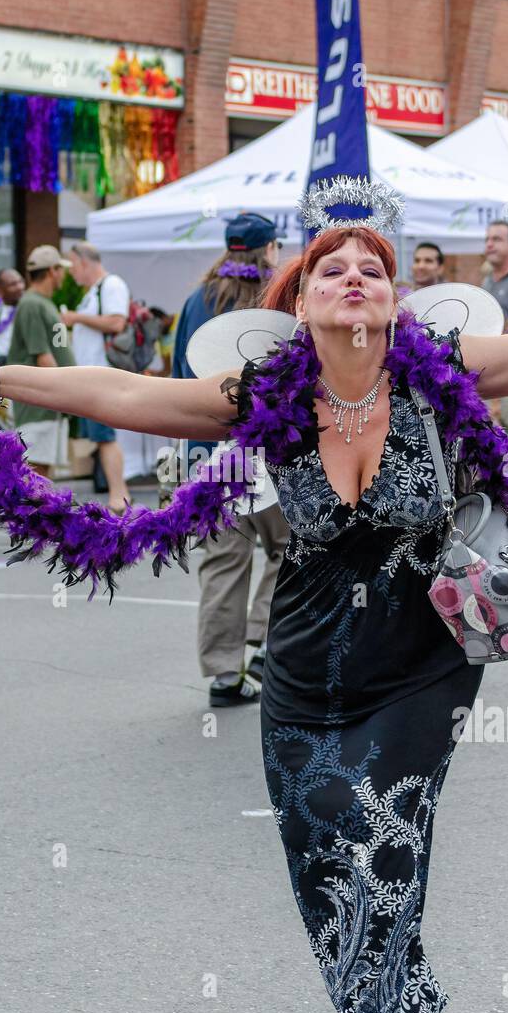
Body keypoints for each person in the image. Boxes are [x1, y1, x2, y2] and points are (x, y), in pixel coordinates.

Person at [0, 214, 508, 1013]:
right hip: (304, 655)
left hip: (426, 651)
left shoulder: (452, 372)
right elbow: (124, 393)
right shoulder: (262, 391)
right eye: (330, 270)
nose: (353, 278)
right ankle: (385, 1003)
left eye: (371, 271)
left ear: (394, 303)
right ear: (298, 304)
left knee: (379, 824)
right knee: (315, 854)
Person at [171, 212, 290, 706]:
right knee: (292, 545)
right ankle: (263, 640)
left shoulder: (196, 301)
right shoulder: (280, 298)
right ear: (268, 250)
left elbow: (179, 375)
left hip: (208, 450)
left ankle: (224, 674)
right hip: (271, 447)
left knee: (223, 560)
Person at [60, 242, 132, 514]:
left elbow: (116, 322)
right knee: (102, 436)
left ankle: (118, 493)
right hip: (92, 376)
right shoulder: (95, 291)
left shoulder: (111, 285)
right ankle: (118, 493)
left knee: (105, 436)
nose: (72, 273)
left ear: (84, 262)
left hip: (102, 375)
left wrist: (75, 318)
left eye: (73, 265)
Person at [7, 246, 75, 480]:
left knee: (43, 474)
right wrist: (70, 394)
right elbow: (42, 356)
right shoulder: (32, 304)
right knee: (36, 473)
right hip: (38, 406)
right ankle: (36, 517)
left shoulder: (41, 302)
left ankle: (42, 515)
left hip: (48, 405)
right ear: (52, 271)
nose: (63, 275)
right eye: (61, 269)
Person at [481, 221, 508, 445]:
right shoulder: (487, 280)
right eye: (487, 239)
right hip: (491, 370)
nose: (489, 245)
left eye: (496, 239)